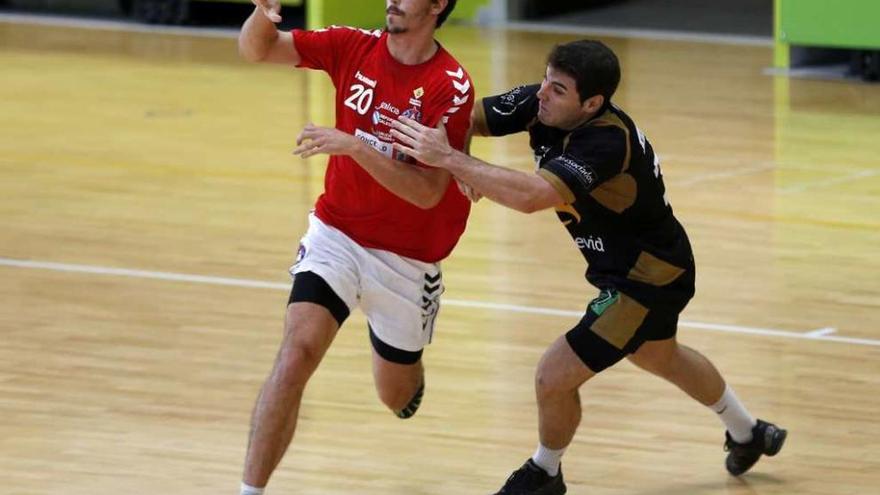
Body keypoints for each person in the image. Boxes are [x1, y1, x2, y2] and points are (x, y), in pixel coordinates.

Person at [391, 39, 787, 494]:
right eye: (545, 79)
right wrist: (463, 167)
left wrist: (452, 161)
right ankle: (749, 432)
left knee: (552, 376)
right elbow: (463, 119)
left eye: (557, 89)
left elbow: (531, 197)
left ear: (592, 104)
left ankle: (545, 472)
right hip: (637, 265)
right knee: (659, 355)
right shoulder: (543, 103)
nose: (542, 93)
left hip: (648, 277)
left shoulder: (605, 141)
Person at [236, 1, 474, 494]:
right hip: (337, 234)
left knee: (397, 397)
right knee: (296, 353)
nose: (392, 0)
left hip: (407, 259)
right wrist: (264, 13)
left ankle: (402, 358)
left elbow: (428, 193)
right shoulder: (353, 45)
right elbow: (256, 49)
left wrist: (356, 145)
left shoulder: (450, 86)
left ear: (437, 5)